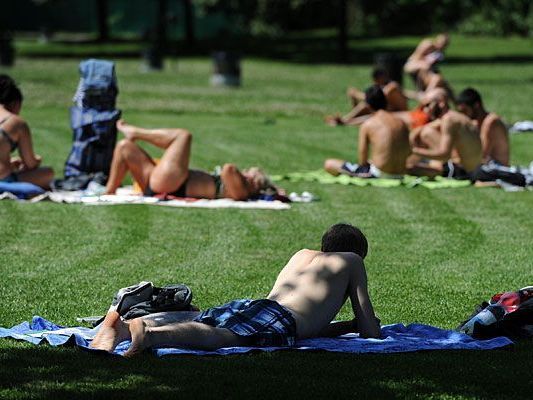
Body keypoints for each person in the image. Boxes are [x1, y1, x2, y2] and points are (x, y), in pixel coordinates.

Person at [90, 223, 381, 356]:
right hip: (283, 319)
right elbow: (370, 331)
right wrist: (360, 324)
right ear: (357, 252)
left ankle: (123, 327)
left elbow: (310, 324)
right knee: (223, 337)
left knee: (202, 319)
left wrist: (343, 327)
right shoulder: (352, 261)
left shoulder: (302, 254)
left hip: (258, 306)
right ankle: (149, 335)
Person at [105, 120, 279, 200]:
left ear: (256, 185)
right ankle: (109, 192)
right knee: (124, 147)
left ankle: (137, 133)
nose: (247, 174)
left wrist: (263, 185)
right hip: (162, 182)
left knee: (183, 136)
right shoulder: (240, 186)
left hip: (173, 184)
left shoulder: (241, 192)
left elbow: (228, 169)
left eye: (251, 175)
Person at [324, 92, 411, 178]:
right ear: (386, 102)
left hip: (379, 173)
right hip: (401, 173)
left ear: (367, 105)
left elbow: (363, 162)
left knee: (329, 164)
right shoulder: (401, 122)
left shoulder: (368, 124)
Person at [0, 75, 54, 189]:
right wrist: (37, 160)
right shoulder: (15, 122)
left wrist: (9, 162)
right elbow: (30, 163)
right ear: (15, 103)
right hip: (3, 179)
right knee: (48, 173)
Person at [326, 68, 408, 126]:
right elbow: (372, 100)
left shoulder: (392, 86)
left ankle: (344, 122)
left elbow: (376, 98)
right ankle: (344, 120)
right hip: (386, 110)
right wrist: (354, 98)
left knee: (372, 117)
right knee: (365, 106)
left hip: (399, 113)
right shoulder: (379, 87)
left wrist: (355, 94)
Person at [456, 87, 509, 166]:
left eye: (465, 111)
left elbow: (482, 155)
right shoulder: (475, 123)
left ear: (476, 106)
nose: (463, 116)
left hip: (496, 168)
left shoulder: (491, 122)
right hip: (483, 166)